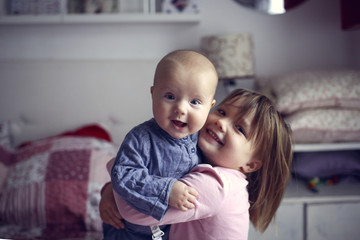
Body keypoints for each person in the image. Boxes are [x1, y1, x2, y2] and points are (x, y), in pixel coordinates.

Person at [100, 89, 293, 240]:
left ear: (250, 165)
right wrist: (111, 187)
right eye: (222, 112)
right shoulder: (209, 166)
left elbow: (134, 211)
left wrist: (121, 170)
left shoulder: (216, 185)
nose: (221, 122)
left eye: (240, 129)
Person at [107, 50, 218, 239]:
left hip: (177, 231)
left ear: (210, 107)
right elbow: (124, 173)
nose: (181, 108)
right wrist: (166, 191)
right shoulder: (141, 138)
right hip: (133, 232)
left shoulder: (204, 138)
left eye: (194, 101)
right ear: (153, 94)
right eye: (170, 96)